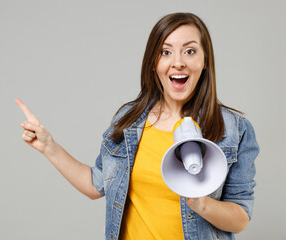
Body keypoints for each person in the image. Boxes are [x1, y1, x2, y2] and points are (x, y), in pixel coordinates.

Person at [15, 12, 259, 240]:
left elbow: (240, 218)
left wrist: (203, 204)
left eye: (190, 51)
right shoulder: (130, 119)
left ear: (205, 61)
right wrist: (49, 147)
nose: (178, 63)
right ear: (153, 63)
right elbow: (95, 184)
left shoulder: (233, 129)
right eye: (165, 52)